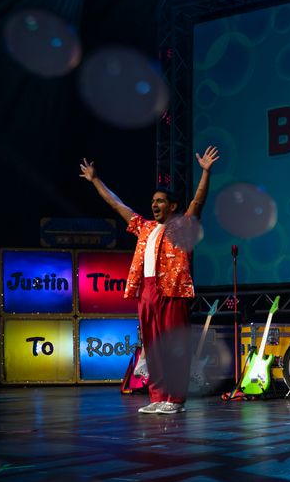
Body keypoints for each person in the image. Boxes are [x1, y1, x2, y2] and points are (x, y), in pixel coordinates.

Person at [80, 147, 219, 414]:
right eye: (153, 201)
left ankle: (175, 400)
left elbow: (198, 201)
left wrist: (205, 172)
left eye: (160, 201)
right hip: (147, 291)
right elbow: (116, 204)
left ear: (173, 206)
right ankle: (158, 396)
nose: (154, 205)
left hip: (172, 291)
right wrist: (95, 180)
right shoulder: (144, 227)